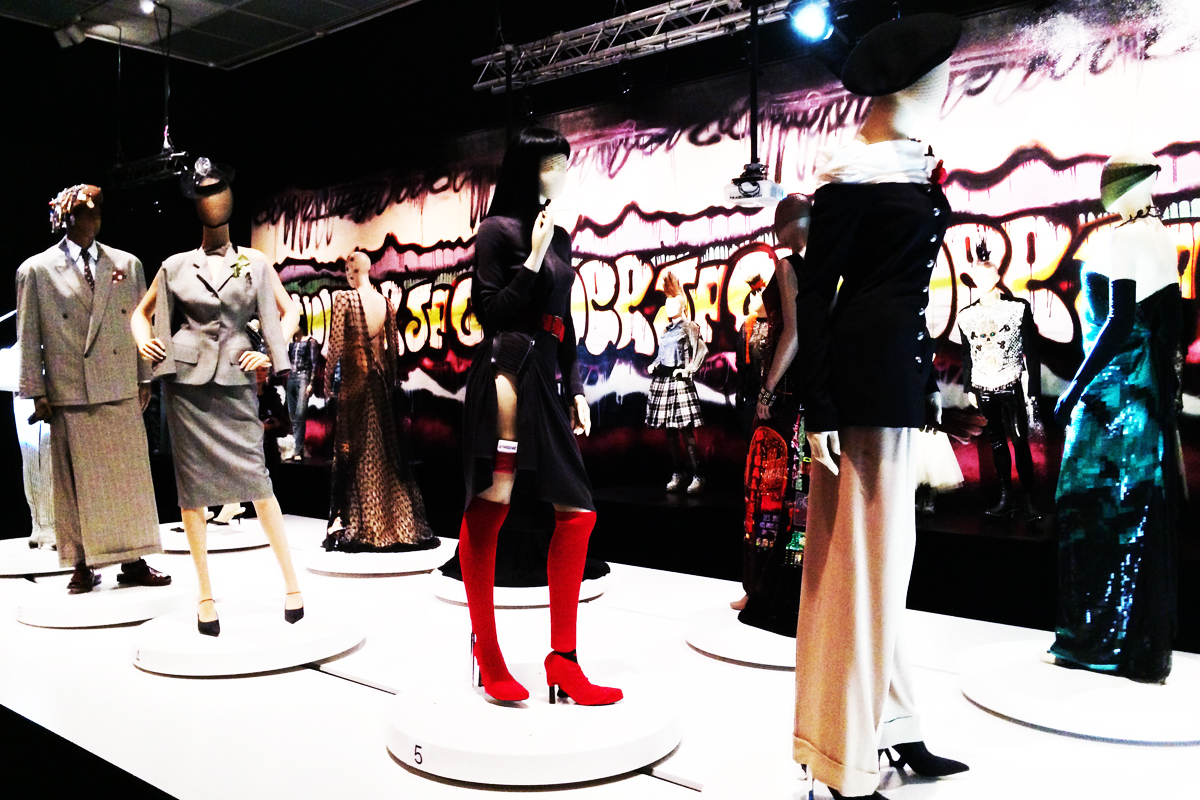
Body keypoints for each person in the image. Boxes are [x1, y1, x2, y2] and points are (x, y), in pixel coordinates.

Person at [792, 15, 968, 799]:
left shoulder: (902, 165)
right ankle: (840, 759)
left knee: (884, 570)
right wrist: (819, 407)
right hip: (861, 392)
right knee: (858, 574)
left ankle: (895, 728)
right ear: (903, 90)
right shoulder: (852, 175)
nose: (942, 91)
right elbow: (815, 298)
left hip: (895, 382)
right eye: (934, 80)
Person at [457, 127, 621, 705]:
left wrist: (575, 386)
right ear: (527, 168)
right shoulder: (498, 231)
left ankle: (563, 660)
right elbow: (491, 312)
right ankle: (487, 649)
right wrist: (530, 257)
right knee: (494, 499)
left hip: (546, 377)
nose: (561, 174)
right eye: (552, 163)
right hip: (505, 371)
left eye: (565, 163)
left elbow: (563, 321)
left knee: (578, 513)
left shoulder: (561, 237)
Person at [131, 157, 303, 637]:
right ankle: (205, 595)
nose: (212, 199)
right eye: (203, 192)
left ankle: (292, 584)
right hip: (185, 386)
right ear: (195, 203)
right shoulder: (174, 266)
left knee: (258, 480)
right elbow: (140, 314)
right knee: (193, 493)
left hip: (235, 379)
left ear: (230, 196)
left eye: (218, 190)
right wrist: (143, 341)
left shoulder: (256, 263)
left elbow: (289, 312)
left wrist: (271, 351)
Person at [1050, 152, 1182, 684]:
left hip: (1113, 392)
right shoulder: (1160, 236)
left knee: (1088, 506)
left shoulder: (1127, 239)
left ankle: (1094, 640)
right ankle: (1132, 644)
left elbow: (1118, 320)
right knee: (1133, 509)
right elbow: (1167, 321)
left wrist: (1074, 388)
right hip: (1142, 389)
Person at [16, 184, 169, 594]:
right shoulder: (37, 270)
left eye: (98, 208)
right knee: (74, 486)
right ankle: (81, 564)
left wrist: (144, 376)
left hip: (117, 384)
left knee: (129, 479)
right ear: (66, 217)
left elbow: (139, 321)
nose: (94, 215)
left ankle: (134, 559)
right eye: (85, 209)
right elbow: (28, 337)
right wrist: (36, 391)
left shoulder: (127, 264)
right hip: (71, 388)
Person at [322, 250, 435, 552]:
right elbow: (392, 351)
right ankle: (397, 523)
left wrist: (326, 382)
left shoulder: (345, 300)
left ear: (356, 269)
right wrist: (389, 384)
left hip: (355, 386)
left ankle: (368, 524)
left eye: (348, 268)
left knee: (358, 453)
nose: (346, 273)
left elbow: (335, 345)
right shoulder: (385, 303)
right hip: (381, 383)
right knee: (384, 454)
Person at [735, 194, 811, 637]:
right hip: (810, 404)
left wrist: (766, 388)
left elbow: (793, 333)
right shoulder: (829, 269)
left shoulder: (787, 266)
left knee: (766, 494)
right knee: (798, 501)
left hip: (783, 401)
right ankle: (789, 590)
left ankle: (761, 590)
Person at [958, 239, 1041, 520]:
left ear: (996, 277)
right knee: (996, 442)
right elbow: (967, 353)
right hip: (983, 386)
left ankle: (1028, 499)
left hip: (1011, 382)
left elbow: (1032, 350)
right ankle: (1006, 497)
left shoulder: (1017, 308)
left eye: (987, 276)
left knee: (1019, 440)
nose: (982, 281)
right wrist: (969, 387)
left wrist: (1033, 386)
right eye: (977, 277)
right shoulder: (966, 316)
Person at [645, 269, 707, 494]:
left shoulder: (689, 327)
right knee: (669, 432)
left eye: (674, 302)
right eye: (667, 302)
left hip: (679, 383)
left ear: (682, 306)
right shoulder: (666, 331)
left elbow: (701, 350)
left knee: (686, 430)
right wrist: (654, 364)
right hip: (664, 382)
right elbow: (662, 355)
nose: (669, 305)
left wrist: (689, 369)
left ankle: (698, 475)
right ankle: (678, 473)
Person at [285, 321, 319, 460]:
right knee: (293, 414)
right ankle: (297, 447)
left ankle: (298, 450)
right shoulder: (292, 343)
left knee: (300, 413)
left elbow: (314, 363)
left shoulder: (311, 342)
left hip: (303, 376)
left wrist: (311, 383)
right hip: (291, 377)